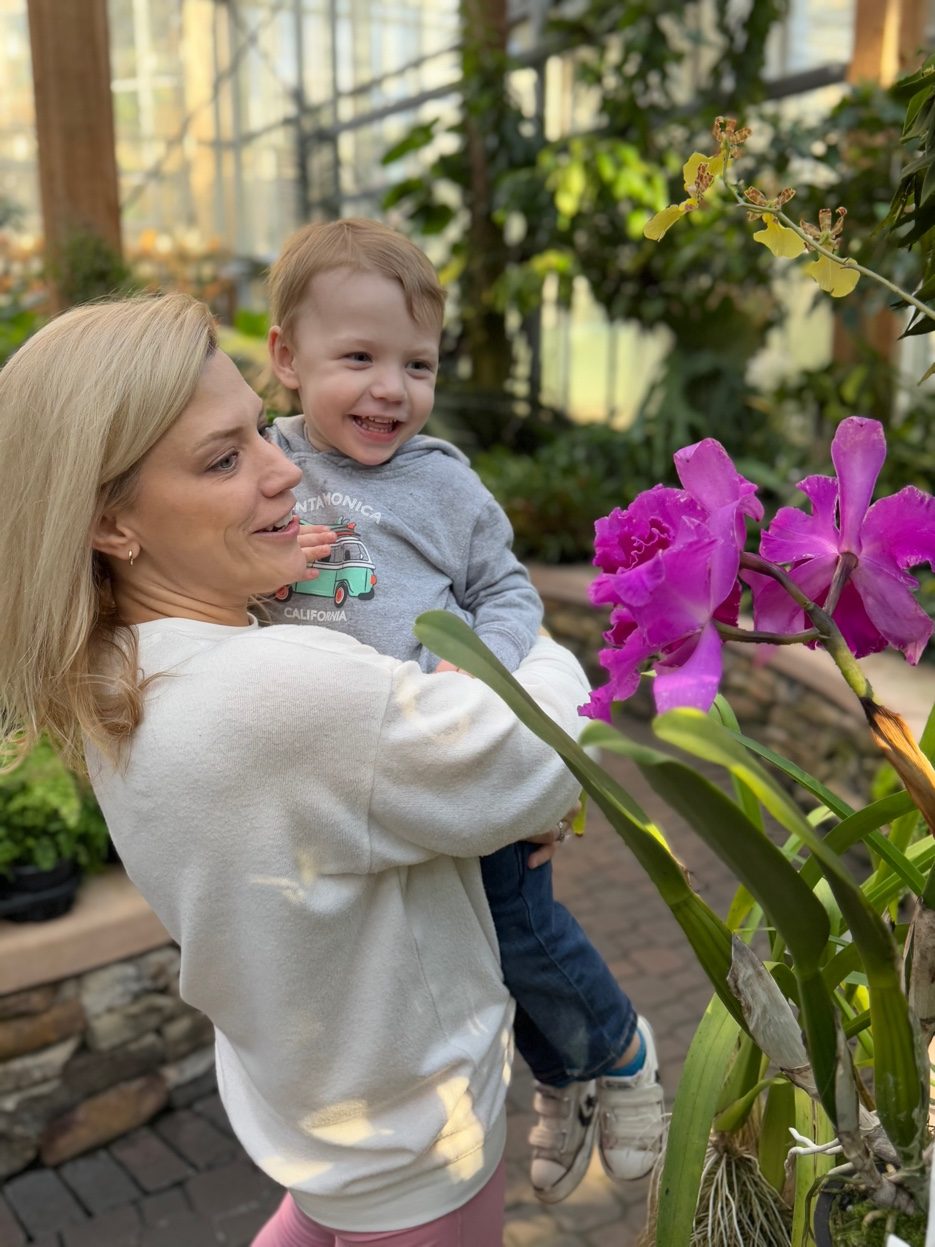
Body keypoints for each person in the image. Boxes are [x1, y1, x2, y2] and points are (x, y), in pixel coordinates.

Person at [0, 293, 597, 1246]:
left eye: (259, 431)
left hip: (315, 1120)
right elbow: (540, 753)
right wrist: (533, 643)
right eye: (224, 458)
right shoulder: (276, 690)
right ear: (111, 523)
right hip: (413, 1147)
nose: (287, 472)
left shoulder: (119, 666)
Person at [261, 219, 664, 1203]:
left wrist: (485, 683)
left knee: (516, 925)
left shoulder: (440, 483)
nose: (390, 388)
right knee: (455, 955)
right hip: (351, 776)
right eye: (357, 357)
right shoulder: (262, 471)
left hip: (448, 747)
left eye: (418, 363)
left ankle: (612, 1046)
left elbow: (507, 592)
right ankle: (558, 1069)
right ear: (283, 357)